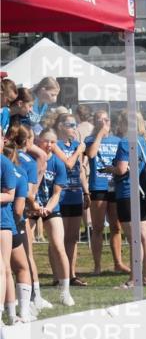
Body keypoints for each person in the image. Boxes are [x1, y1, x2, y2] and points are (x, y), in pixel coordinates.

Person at [8, 125, 52, 313]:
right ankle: (35, 297)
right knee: (26, 258)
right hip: (18, 213)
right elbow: (30, 193)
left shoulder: (6, 155)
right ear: (28, 141)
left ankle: (12, 301)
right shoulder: (29, 162)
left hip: (7, 210)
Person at [113, 113, 146, 288]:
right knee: (145, 236)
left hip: (127, 191)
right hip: (143, 191)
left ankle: (134, 278)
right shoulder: (143, 141)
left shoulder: (125, 142)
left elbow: (122, 169)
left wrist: (110, 169)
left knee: (134, 239)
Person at [84, 110, 129, 276]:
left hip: (115, 185)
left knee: (116, 227)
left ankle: (118, 263)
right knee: (98, 228)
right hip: (98, 187)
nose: (103, 122)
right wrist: (100, 135)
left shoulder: (118, 140)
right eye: (99, 119)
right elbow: (91, 154)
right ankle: (97, 266)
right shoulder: (90, 140)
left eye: (106, 119)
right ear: (95, 122)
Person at [34, 128, 74, 306]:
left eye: (52, 142)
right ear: (38, 140)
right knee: (27, 251)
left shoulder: (58, 163)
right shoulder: (31, 159)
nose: (49, 145)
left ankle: (65, 291)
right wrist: (34, 206)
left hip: (51, 207)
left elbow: (56, 193)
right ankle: (34, 294)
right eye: (46, 141)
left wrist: (48, 208)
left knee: (59, 246)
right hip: (31, 207)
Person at [52, 113, 89, 287]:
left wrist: (86, 192)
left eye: (75, 125)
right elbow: (68, 163)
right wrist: (79, 151)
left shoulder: (75, 146)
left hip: (75, 194)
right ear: (60, 126)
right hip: (60, 196)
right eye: (70, 125)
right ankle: (57, 275)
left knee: (73, 238)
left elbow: (79, 170)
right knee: (58, 239)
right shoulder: (55, 144)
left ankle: (71, 274)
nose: (74, 128)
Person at [2, 146, 34, 323]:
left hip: (7, 224)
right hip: (10, 225)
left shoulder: (7, 168)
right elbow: (18, 209)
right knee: (20, 267)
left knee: (5, 270)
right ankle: (22, 312)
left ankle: (12, 313)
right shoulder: (20, 173)